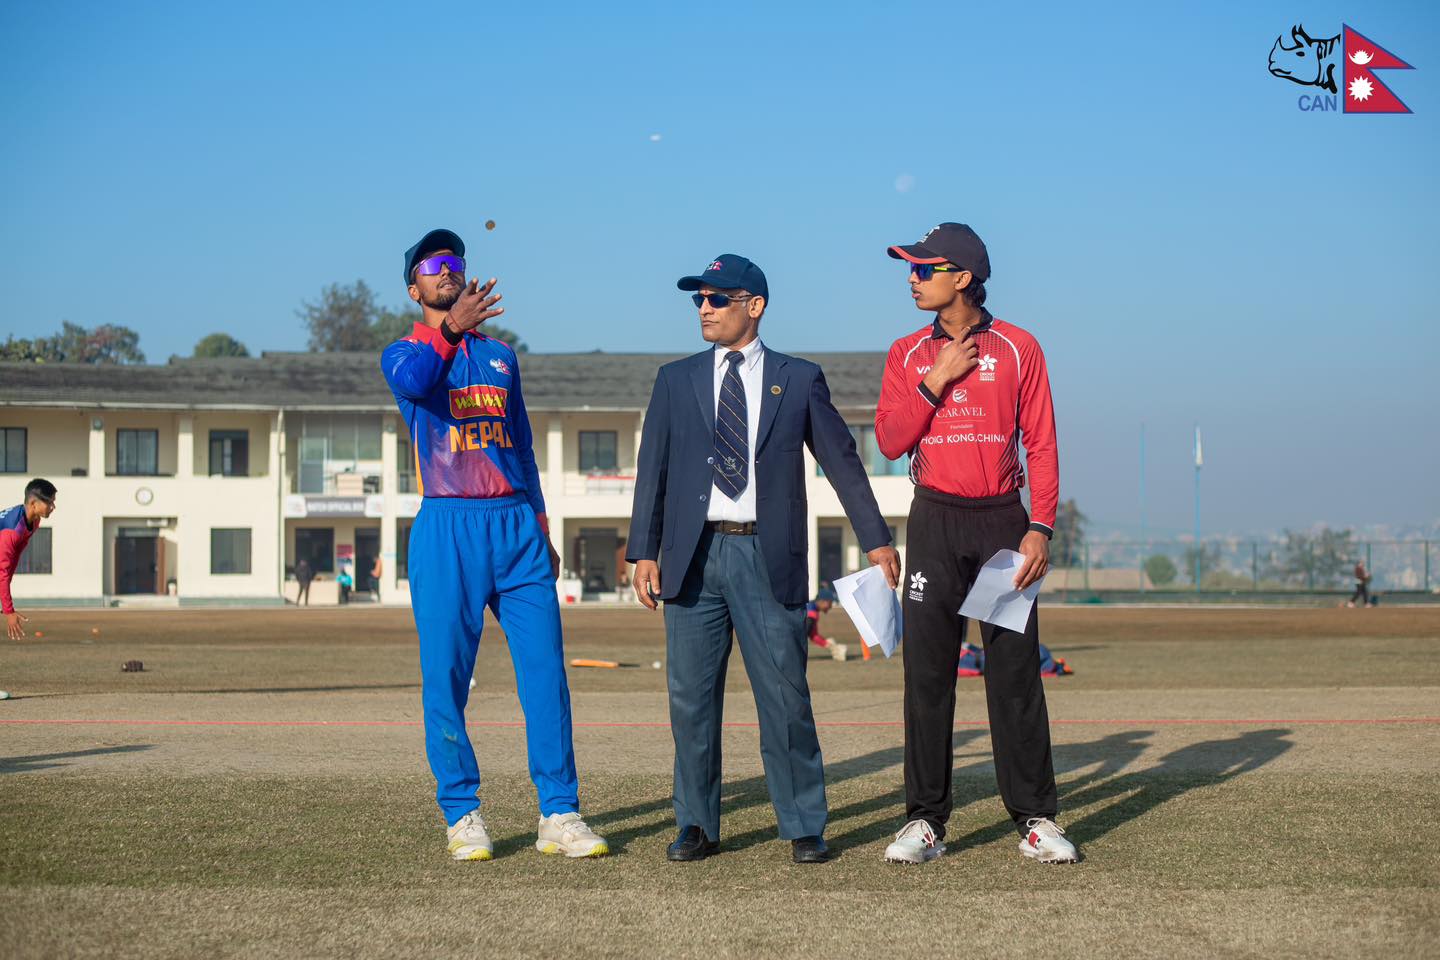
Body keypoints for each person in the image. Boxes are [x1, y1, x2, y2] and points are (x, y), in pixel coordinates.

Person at [628, 254, 901, 865]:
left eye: (717, 299)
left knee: (784, 696)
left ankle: (804, 823)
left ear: (754, 305)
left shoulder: (798, 378)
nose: (703, 308)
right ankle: (696, 823)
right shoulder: (675, 379)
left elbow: (842, 461)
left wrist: (877, 538)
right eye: (698, 298)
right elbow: (656, 470)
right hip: (691, 558)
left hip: (766, 553)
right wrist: (642, 550)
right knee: (691, 701)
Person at [381, 227, 607, 862]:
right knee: (446, 679)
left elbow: (523, 446)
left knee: (545, 675)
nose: (447, 269)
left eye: (455, 260)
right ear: (413, 287)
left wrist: (539, 520)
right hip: (447, 525)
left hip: (514, 528)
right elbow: (421, 379)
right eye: (433, 264)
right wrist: (449, 331)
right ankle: (462, 813)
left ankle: (559, 813)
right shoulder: (403, 352)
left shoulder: (503, 356)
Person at [874, 223, 1077, 865]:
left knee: (1014, 676)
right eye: (909, 268)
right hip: (933, 520)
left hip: (1001, 524)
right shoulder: (907, 353)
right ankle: (926, 822)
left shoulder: (1019, 348)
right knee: (927, 673)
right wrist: (937, 378)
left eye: (923, 269)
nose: (911, 278)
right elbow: (888, 439)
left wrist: (1039, 526)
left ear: (961, 277)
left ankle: (1036, 820)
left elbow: (1041, 443)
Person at [2, 480, 58, 654]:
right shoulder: (12, 529)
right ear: (33, 503)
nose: (53, 507)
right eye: (49, 502)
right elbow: (2, 571)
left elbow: (15, 556)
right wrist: (9, 611)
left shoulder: (34, 521)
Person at [806, 584, 858, 662]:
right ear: (823, 601)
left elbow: (813, 635)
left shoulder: (810, 607)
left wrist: (830, 646)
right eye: (830, 603)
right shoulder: (812, 612)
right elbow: (806, 631)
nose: (830, 607)